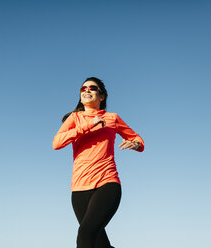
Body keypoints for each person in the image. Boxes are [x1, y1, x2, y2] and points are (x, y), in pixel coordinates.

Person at [52, 77, 144, 248]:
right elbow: (56, 143)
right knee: (99, 242)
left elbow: (137, 139)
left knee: (86, 234)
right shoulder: (75, 118)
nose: (86, 90)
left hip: (107, 183)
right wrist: (88, 125)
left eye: (92, 88)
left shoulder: (112, 118)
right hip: (79, 188)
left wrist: (136, 144)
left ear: (102, 96)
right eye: (83, 88)